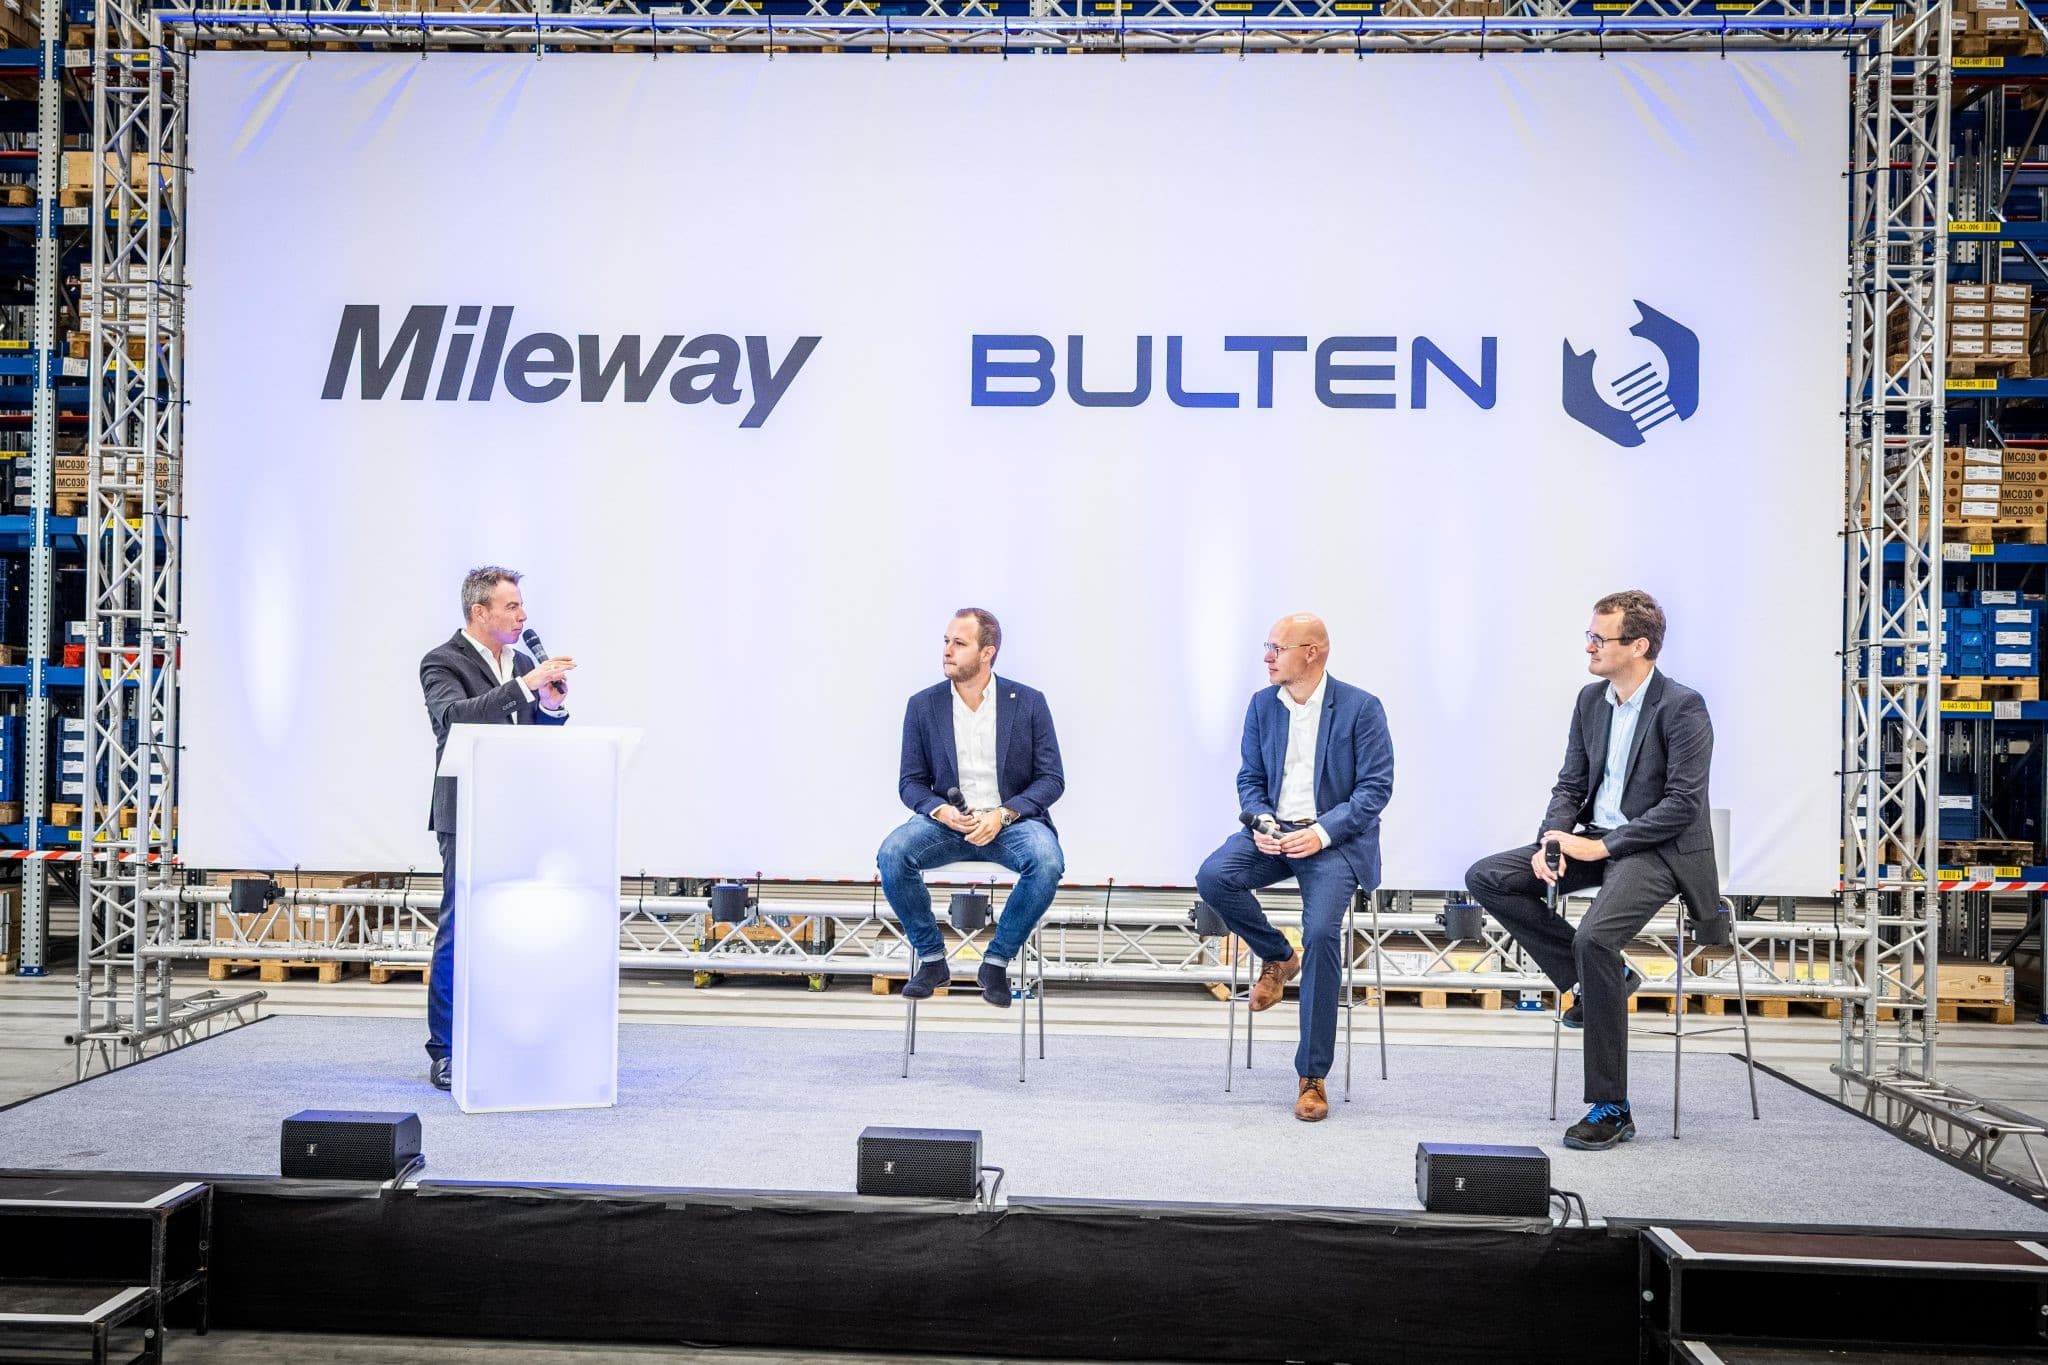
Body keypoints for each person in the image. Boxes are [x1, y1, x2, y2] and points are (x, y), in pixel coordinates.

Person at [1463, 589, 1717, 1151]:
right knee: (1487, 877)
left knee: (1597, 939)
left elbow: (1682, 806)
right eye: (1590, 636)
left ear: (1640, 646)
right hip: (1595, 838)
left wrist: (1600, 850)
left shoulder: (1683, 706)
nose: (1590, 647)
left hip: (1656, 848)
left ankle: (1612, 1107)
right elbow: (1570, 785)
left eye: (1600, 639)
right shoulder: (1590, 700)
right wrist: (1552, 840)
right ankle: (1593, 981)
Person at [1194, 613, 1394, 1122]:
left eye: (1276, 648)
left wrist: (1322, 832)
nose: (1266, 657)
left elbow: (1375, 789)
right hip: (1274, 832)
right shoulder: (1263, 705)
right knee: (1214, 876)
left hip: (1333, 840)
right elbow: (1250, 777)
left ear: (1312, 652)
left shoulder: (1361, 708)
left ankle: (1312, 1075)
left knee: (1324, 930)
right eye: (1267, 647)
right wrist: (1261, 820)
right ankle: (1280, 957)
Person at [417, 566, 574, 1090]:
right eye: (512, 607)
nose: (523, 616)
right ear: (479, 612)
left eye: (522, 606)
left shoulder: (523, 662)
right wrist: (522, 686)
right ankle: (445, 1049)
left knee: (515, 930)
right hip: (469, 814)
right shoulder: (443, 661)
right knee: (460, 929)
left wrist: (551, 708)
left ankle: (508, 1035)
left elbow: (529, 737)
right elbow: (455, 718)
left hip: (517, 814)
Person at [878, 608, 1066, 1008]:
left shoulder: (1029, 703)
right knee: (892, 855)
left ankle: (996, 961)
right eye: (946, 641)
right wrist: (938, 811)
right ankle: (931, 959)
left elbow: (1051, 780)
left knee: (1047, 862)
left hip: (1011, 823)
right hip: (948, 824)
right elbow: (910, 782)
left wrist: (1004, 814)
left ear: (987, 653)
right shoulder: (923, 706)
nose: (947, 650)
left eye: (959, 643)